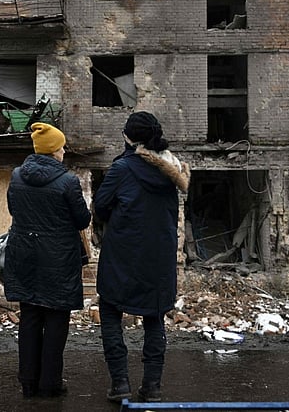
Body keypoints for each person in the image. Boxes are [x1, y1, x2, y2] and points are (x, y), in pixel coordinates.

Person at [93, 111, 190, 403]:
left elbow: (101, 206)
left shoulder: (122, 169)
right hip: (158, 257)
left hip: (122, 255)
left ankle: (120, 383)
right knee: (154, 317)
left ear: (128, 137)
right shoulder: (170, 170)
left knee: (110, 311)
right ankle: (152, 386)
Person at [4, 122, 92, 399]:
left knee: (30, 317)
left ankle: (28, 382)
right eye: (62, 147)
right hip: (58, 258)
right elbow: (83, 220)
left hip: (24, 255)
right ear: (54, 150)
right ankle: (50, 382)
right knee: (56, 318)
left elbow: (13, 209)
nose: (64, 151)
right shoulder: (68, 181)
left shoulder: (17, 176)